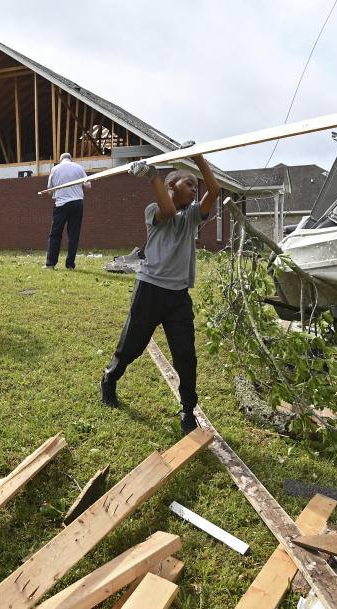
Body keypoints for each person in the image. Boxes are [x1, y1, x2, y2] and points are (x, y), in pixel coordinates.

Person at [100, 156, 219, 435]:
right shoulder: (154, 209)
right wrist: (152, 175)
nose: (194, 190)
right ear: (170, 185)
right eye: (188, 184)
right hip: (150, 290)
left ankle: (188, 411)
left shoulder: (192, 216)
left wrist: (199, 159)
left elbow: (213, 192)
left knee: (185, 355)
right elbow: (166, 206)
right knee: (132, 346)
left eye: (195, 186)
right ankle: (110, 378)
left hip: (178, 296)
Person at [44, 152, 91, 269]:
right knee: (73, 234)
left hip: (61, 205)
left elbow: (50, 191)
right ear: (71, 159)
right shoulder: (79, 168)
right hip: (77, 204)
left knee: (55, 234)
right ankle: (70, 264)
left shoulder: (55, 169)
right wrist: (77, 188)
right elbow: (88, 186)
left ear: (60, 160)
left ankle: (50, 264)